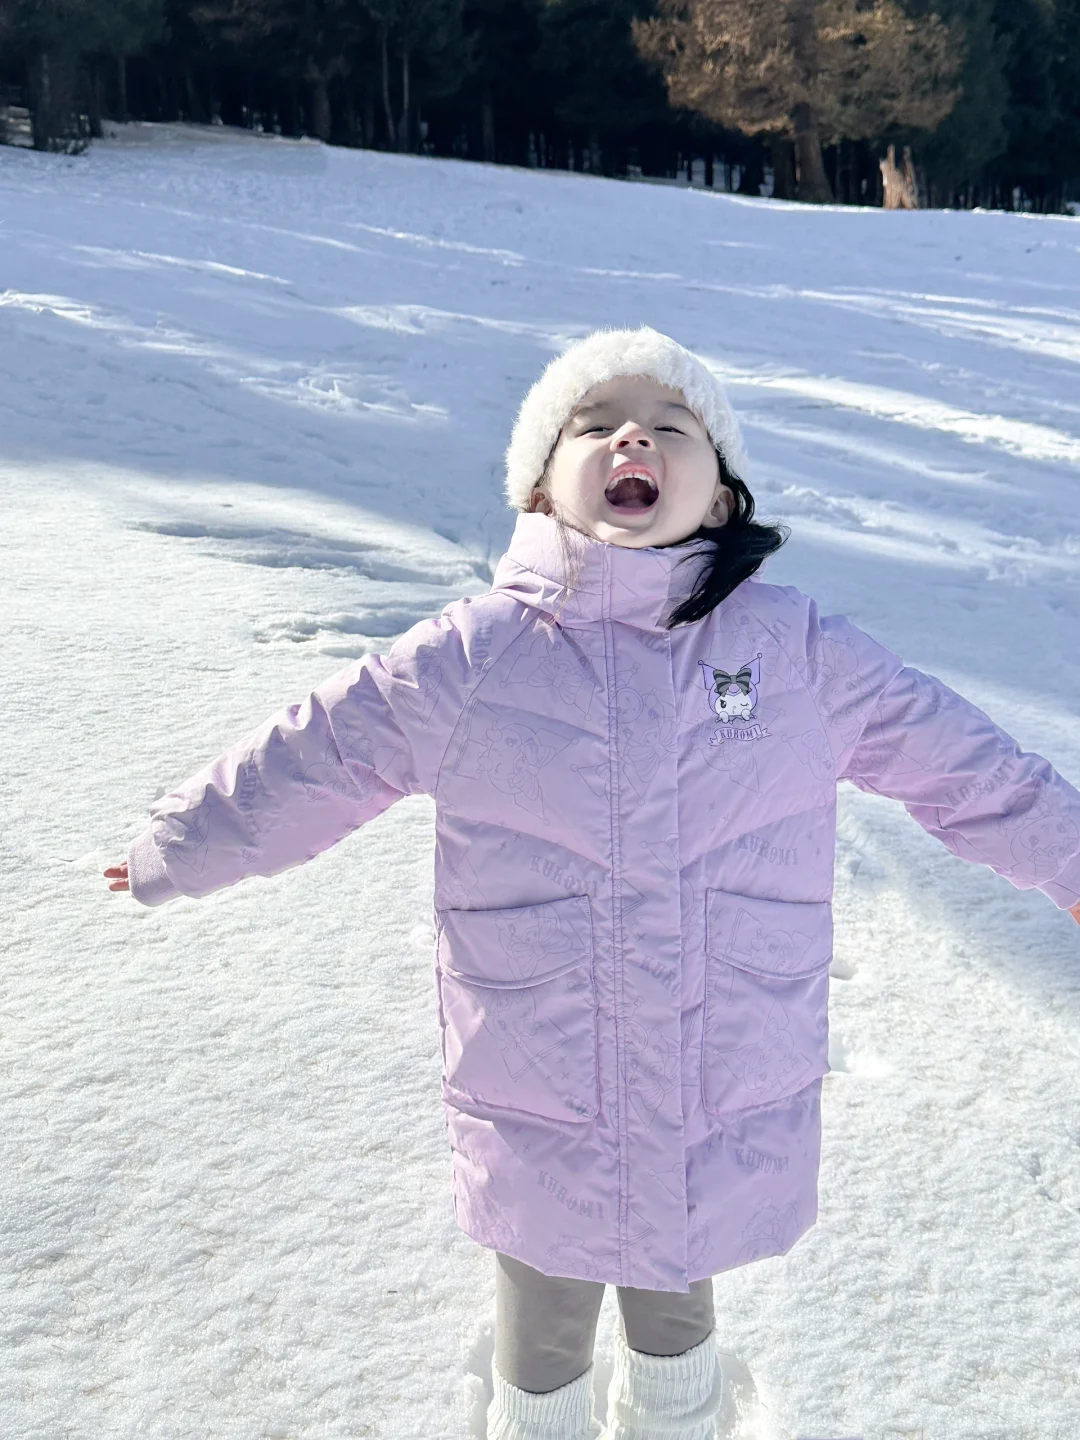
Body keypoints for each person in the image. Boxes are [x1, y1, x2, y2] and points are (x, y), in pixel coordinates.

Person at [105, 327, 1080, 1440]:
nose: (634, 436)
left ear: (718, 499)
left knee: (678, 1289)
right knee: (546, 1300)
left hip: (722, 1061)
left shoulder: (794, 652)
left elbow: (961, 760)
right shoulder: (475, 658)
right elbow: (321, 751)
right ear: (539, 486)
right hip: (540, 1063)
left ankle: (677, 1422)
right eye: (595, 422)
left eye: (673, 428)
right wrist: (178, 843)